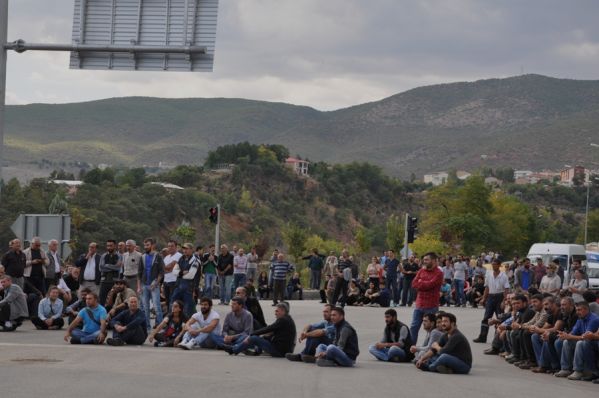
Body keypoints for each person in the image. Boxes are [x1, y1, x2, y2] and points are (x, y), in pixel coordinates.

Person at [225, 302, 296, 357]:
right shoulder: (287, 319)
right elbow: (272, 331)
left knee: (254, 338)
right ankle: (254, 350)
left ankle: (233, 350)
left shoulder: (283, 320)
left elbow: (268, 328)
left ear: (283, 311)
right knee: (260, 337)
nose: (275, 313)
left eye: (277, 311)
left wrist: (252, 334)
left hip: (280, 351)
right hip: (284, 350)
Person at [554, 301, 599, 380]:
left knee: (580, 343)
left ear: (586, 310)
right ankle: (565, 369)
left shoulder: (594, 319)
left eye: (579, 310)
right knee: (565, 341)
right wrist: (564, 335)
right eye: (576, 310)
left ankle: (578, 371)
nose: (577, 312)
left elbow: (586, 337)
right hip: (586, 341)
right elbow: (572, 333)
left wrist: (569, 336)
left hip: (592, 342)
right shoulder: (580, 319)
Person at [473, 259, 510, 343]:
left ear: (499, 265)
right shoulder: (489, 275)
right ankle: (482, 337)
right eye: (492, 265)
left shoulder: (503, 276)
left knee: (499, 318)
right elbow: (487, 288)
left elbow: (506, 289)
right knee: (486, 317)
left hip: (499, 296)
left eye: (495, 264)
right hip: (490, 296)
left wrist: (504, 301)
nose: (493, 266)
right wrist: (483, 298)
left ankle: (497, 339)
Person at [410, 252, 444, 344]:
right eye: (424, 260)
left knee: (431, 330)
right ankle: (410, 350)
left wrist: (421, 282)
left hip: (431, 306)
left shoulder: (439, 273)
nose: (424, 262)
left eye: (426, 260)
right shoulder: (421, 271)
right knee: (413, 327)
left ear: (433, 260)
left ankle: (426, 351)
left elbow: (430, 285)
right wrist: (424, 283)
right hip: (419, 304)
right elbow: (413, 284)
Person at [137, 238, 165, 331]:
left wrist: (156, 283)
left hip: (154, 285)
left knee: (157, 307)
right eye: (144, 245)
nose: (145, 247)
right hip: (144, 285)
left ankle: (160, 328)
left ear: (153, 245)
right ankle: (147, 327)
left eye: (147, 245)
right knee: (145, 307)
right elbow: (139, 273)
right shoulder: (143, 256)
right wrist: (138, 287)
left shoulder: (158, 256)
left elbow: (161, 272)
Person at [170, 243, 200, 316]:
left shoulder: (195, 261)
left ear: (191, 250)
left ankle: (189, 324)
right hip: (178, 286)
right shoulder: (181, 259)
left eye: (187, 249)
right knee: (173, 305)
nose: (184, 250)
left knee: (188, 309)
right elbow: (174, 271)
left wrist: (179, 274)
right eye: (184, 249)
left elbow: (190, 276)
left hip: (189, 289)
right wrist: (182, 272)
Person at [98, 239, 123, 306]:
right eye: (108, 246)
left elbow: (118, 267)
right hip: (104, 281)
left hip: (114, 281)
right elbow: (101, 268)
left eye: (111, 246)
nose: (109, 247)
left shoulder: (119, 256)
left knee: (115, 300)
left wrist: (107, 265)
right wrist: (113, 267)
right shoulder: (103, 256)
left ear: (115, 246)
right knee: (102, 300)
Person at [162, 240, 182, 309]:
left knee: (173, 301)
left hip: (174, 281)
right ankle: (169, 316)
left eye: (172, 246)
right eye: (169, 246)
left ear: (176, 247)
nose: (170, 248)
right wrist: (167, 269)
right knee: (167, 301)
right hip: (166, 281)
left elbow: (171, 268)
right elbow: (163, 269)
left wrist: (166, 268)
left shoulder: (179, 256)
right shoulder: (166, 257)